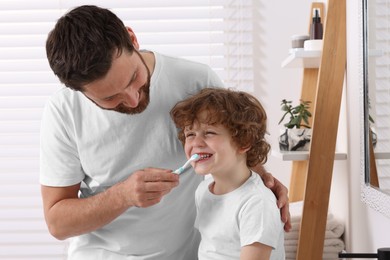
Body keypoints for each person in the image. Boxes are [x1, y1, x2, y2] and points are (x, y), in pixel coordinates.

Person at [40, 5, 290, 260]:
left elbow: (232, 142)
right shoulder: (64, 111)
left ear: (132, 38)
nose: (133, 99)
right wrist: (122, 196)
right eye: (110, 98)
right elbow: (57, 223)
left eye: (133, 78)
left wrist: (261, 182)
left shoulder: (196, 80)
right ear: (80, 92)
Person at [170, 88, 285, 260]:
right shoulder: (203, 191)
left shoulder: (257, 203)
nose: (196, 143)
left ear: (244, 142)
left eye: (209, 133)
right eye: (190, 134)